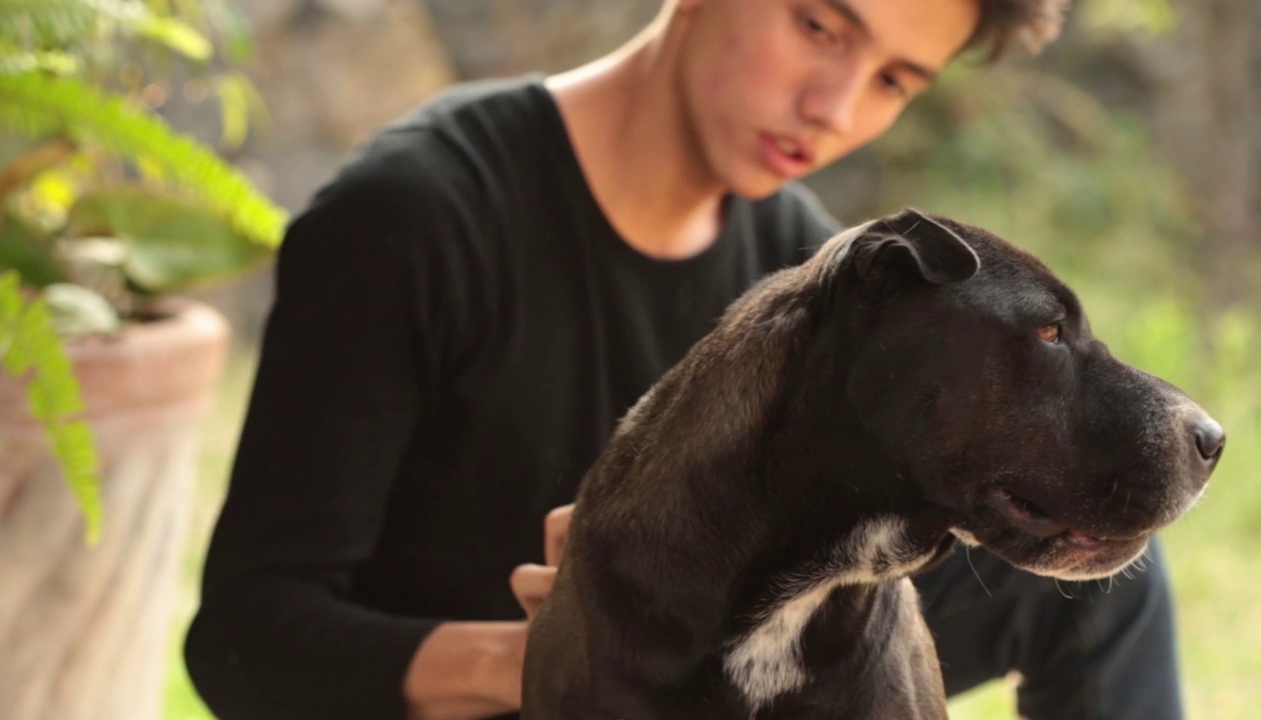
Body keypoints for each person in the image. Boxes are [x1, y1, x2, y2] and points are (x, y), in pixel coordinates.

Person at [183, 0, 1187, 718]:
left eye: (891, 80)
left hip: (733, 661)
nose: (834, 105)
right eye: (817, 25)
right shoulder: (415, 215)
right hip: (515, 690)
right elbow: (246, 640)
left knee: (1112, 584)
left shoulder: (819, 277)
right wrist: (540, 655)